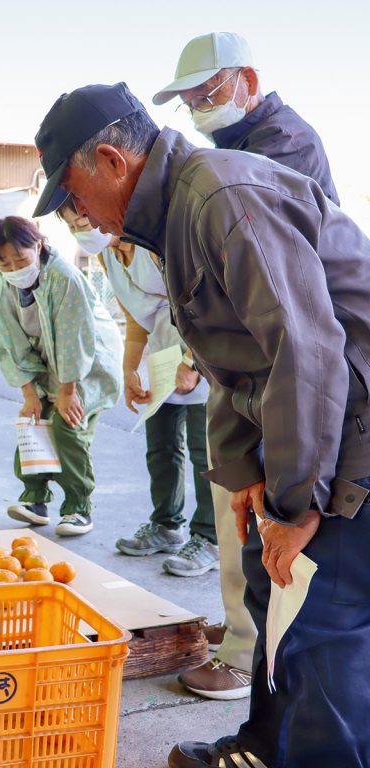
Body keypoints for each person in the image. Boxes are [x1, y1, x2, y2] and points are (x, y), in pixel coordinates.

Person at [33, 80, 370, 768]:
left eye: (72, 195)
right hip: (317, 425)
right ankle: (266, 748)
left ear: (111, 161)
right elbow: (231, 361)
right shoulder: (177, 213)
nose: (77, 214)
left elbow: (305, 353)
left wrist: (298, 503)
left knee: (318, 617)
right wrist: (245, 473)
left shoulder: (219, 198)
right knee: (273, 591)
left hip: (351, 431)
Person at [153, 30, 344, 702]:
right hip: (255, 362)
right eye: (189, 100)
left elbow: (283, 312)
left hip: (281, 364)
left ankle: (247, 655)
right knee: (244, 504)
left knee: (276, 523)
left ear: (248, 80)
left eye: (206, 92)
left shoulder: (281, 146)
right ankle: (249, 646)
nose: (198, 108)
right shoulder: (227, 152)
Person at [55, 200, 219, 576]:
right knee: (161, 448)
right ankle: (166, 525)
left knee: (206, 454)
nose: (81, 230)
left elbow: (206, 303)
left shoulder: (154, 245)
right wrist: (130, 369)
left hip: (203, 351)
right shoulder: (107, 257)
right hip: (162, 357)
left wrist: (191, 362)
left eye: (83, 219)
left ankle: (209, 537)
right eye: (72, 225)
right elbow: (134, 320)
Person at [0, 216, 122, 536]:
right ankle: (35, 498)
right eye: (5, 263)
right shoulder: (2, 284)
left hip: (87, 362)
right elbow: (9, 341)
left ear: (39, 246)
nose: (14, 268)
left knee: (67, 425)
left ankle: (78, 507)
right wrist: (29, 394)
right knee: (34, 419)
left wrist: (68, 391)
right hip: (45, 360)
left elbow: (75, 339)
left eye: (21, 259)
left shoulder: (63, 277)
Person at [153, 31, 339, 206]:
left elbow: (229, 206)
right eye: (190, 106)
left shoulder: (284, 140)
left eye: (204, 98)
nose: (199, 113)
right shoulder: (239, 142)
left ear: (249, 81)